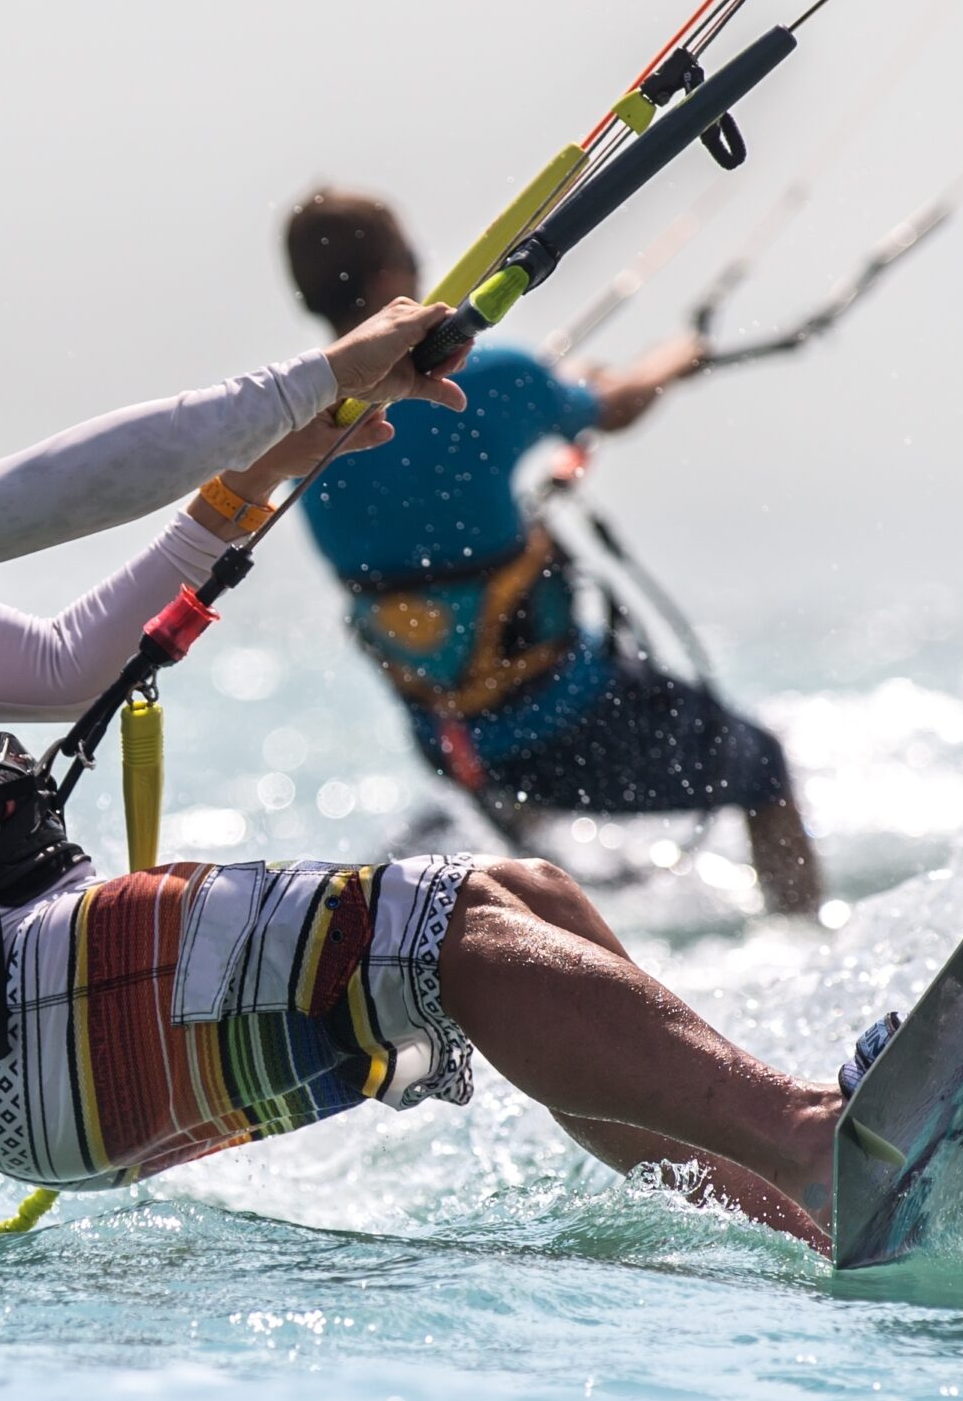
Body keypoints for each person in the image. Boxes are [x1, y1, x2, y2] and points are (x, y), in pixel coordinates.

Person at [0, 305, 883, 1248]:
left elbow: (64, 666)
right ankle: (812, 1137)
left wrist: (247, 484)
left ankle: (801, 1218)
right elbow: (46, 495)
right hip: (16, 1010)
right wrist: (313, 380)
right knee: (456, 931)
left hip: (11, 1040)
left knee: (532, 904)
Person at [281, 188, 823, 914]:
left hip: (455, 748)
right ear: (387, 281)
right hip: (570, 723)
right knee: (762, 765)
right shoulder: (492, 381)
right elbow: (619, 405)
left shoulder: (296, 428)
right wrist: (675, 356)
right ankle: (803, 946)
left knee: (525, 832)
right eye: (412, 257)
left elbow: (427, 503)